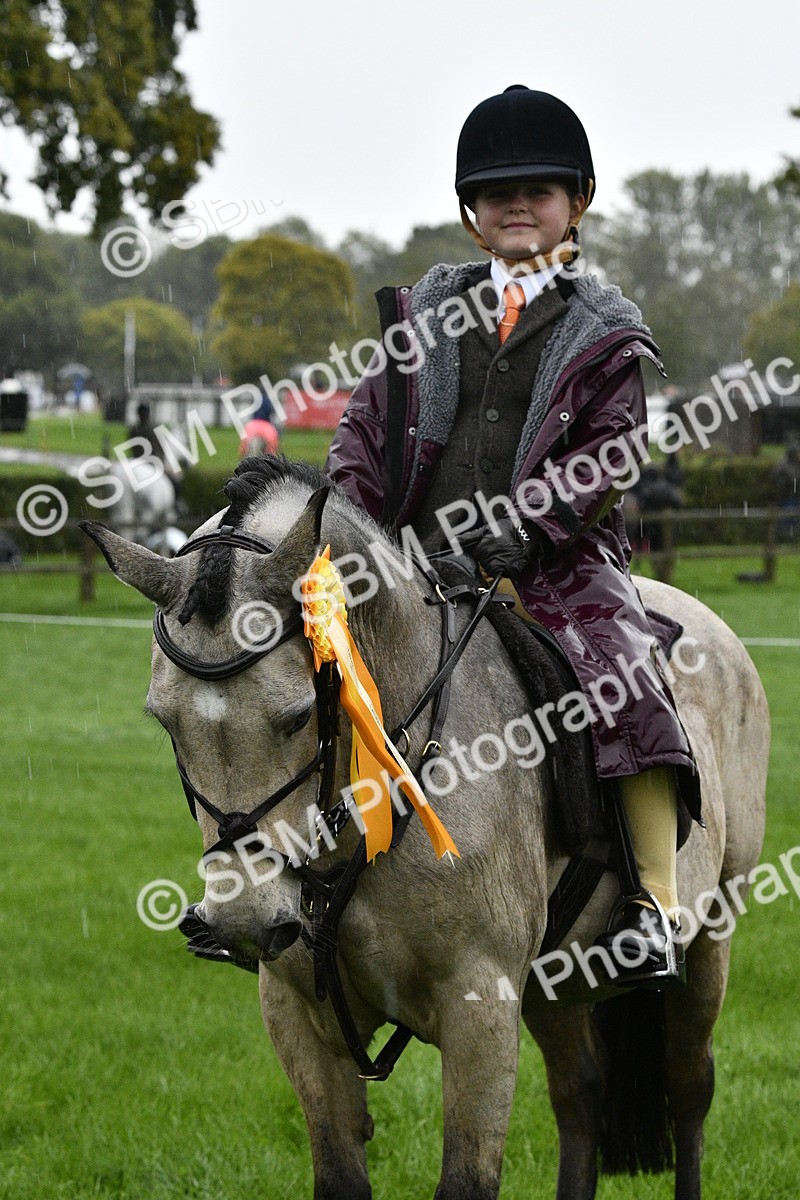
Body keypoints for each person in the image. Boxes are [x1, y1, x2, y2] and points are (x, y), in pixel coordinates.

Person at [325, 85, 701, 985]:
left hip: (555, 571)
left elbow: (609, 454)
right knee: (293, 675)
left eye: (539, 189)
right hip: (415, 563)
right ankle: (269, 883)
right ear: (472, 216)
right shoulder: (422, 322)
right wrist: (344, 522)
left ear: (578, 202)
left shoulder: (604, 335)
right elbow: (365, 432)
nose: (517, 205)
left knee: (626, 682)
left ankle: (655, 904)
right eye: (499, 194)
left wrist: (527, 531)